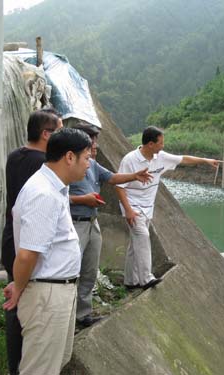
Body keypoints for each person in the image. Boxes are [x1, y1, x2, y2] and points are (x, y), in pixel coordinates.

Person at [3, 128, 92, 375]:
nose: (89, 164)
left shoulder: (55, 188)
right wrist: (20, 287)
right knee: (40, 369)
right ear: (70, 157)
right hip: (47, 295)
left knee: (54, 363)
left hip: (56, 290)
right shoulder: (43, 193)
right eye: (87, 157)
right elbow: (26, 254)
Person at [115, 126, 220, 290]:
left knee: (135, 244)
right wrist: (128, 209)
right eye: (161, 143)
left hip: (147, 207)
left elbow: (183, 159)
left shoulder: (160, 157)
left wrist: (205, 160)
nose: (163, 146)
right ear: (150, 144)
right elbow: (119, 186)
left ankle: (130, 280)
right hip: (132, 206)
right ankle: (146, 279)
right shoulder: (130, 160)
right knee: (143, 236)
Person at [68, 122, 151, 328]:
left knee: (89, 270)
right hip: (74, 224)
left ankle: (82, 314)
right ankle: (66, 317)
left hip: (92, 223)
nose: (95, 147)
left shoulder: (92, 164)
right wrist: (82, 200)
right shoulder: (67, 166)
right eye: (91, 143)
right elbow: (58, 196)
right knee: (69, 271)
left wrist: (134, 176)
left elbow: (112, 177)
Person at [1, 108, 62, 375]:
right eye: (59, 132)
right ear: (46, 134)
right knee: (25, 300)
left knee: (15, 297)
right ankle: (26, 363)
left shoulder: (15, 156)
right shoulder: (43, 164)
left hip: (10, 238)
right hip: (29, 242)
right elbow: (41, 206)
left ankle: (14, 362)